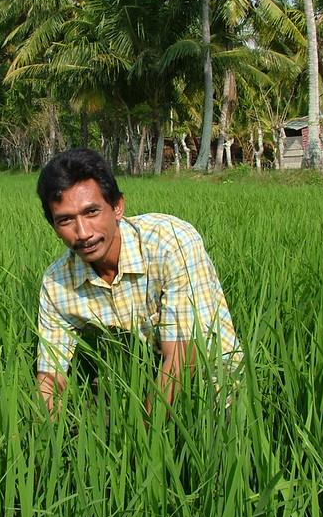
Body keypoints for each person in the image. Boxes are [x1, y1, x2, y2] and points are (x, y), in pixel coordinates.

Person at [35, 148, 242, 415]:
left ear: (117, 207)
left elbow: (183, 356)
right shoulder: (57, 283)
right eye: (65, 220)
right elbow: (51, 377)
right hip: (136, 386)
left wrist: (141, 438)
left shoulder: (170, 242)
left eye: (92, 212)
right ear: (54, 226)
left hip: (212, 385)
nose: (83, 233)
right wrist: (41, 438)